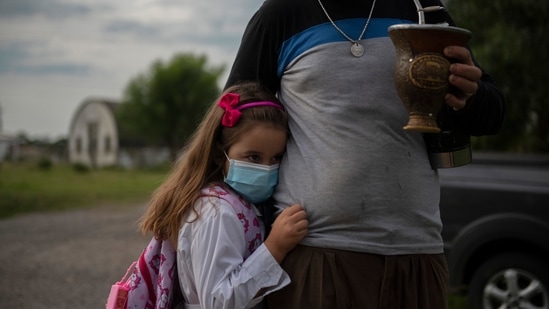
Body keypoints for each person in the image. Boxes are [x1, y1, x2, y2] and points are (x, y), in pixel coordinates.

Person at [224, 0, 505, 308]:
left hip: (417, 254)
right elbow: (230, 122)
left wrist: (471, 94)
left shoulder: (423, 9)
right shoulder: (282, 13)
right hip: (315, 257)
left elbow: (492, 114)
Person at [138, 81, 309, 309]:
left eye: (276, 158)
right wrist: (275, 248)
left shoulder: (236, 204)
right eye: (253, 157)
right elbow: (218, 302)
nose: (267, 169)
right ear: (221, 154)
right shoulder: (217, 213)